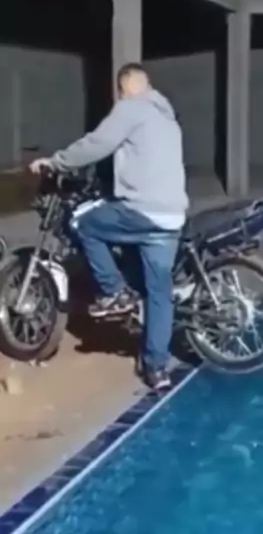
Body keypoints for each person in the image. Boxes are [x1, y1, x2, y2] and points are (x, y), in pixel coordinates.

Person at [29, 63, 188, 392]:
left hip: (142, 210)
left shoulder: (132, 108)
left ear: (124, 88)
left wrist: (56, 162)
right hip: (172, 215)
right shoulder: (167, 116)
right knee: (158, 291)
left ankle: (114, 290)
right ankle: (156, 369)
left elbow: (96, 144)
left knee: (83, 223)